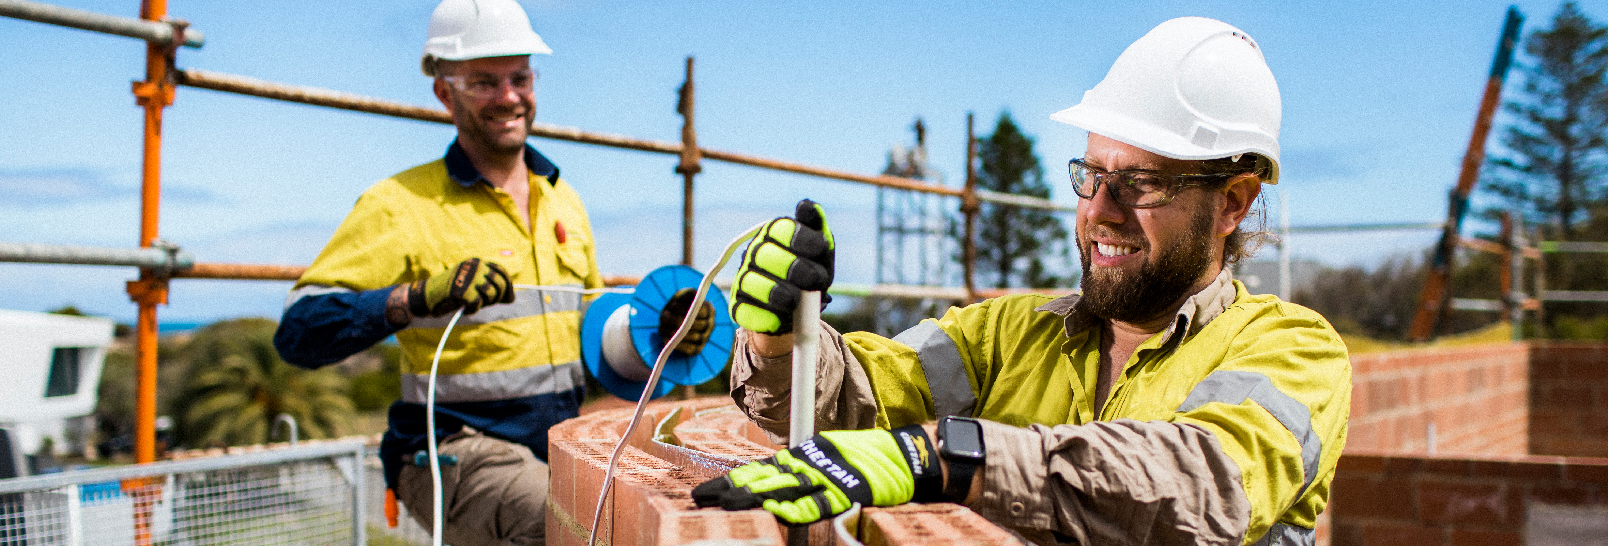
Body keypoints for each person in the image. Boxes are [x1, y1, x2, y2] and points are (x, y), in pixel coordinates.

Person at [693, 17, 1351, 546]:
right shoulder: (1008, 334)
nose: (1099, 208)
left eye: (1139, 184)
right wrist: (778, 339)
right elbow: (856, 398)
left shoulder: (1293, 349)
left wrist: (945, 457)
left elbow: (1205, 484)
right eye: (1089, 175)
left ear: (1231, 202)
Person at [270, 0, 629, 543]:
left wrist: (660, 332)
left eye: (519, 77)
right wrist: (413, 298)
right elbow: (299, 332)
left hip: (554, 444)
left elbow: (594, 337)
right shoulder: (399, 204)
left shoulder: (564, 201)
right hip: (450, 449)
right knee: (564, 522)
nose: (509, 97)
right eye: (485, 82)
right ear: (444, 92)